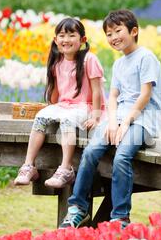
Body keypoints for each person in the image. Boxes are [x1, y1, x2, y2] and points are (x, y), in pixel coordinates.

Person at [59, 9, 161, 229]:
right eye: (109, 33)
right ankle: (77, 209)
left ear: (134, 31)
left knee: (122, 156)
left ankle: (120, 217)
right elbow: (114, 96)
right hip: (120, 117)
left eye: (118, 31)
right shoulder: (118, 64)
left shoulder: (146, 58)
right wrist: (113, 121)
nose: (113, 37)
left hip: (144, 120)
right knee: (90, 152)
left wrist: (125, 123)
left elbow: (145, 95)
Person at [14, 18, 106, 188]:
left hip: (84, 106)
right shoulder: (57, 61)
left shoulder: (89, 60)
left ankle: (66, 169)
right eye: (62, 36)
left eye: (72, 35)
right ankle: (29, 166)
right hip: (65, 106)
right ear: (56, 40)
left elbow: (97, 91)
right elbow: (56, 93)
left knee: (67, 120)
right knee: (40, 117)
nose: (66, 40)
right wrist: (50, 108)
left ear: (83, 40)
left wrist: (95, 116)